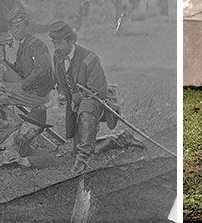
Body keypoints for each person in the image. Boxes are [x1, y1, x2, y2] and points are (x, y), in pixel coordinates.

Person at [49, 21, 145, 175]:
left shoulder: (90, 59)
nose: (56, 47)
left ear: (71, 41)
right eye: (54, 43)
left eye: (59, 43)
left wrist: (78, 99)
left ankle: (82, 160)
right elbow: (60, 80)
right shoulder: (58, 56)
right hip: (76, 106)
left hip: (97, 103)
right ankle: (122, 139)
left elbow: (96, 92)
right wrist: (61, 93)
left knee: (87, 108)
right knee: (80, 147)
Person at [0, 7, 54, 114]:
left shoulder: (36, 44)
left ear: (28, 27)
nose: (14, 31)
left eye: (18, 26)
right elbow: (19, 71)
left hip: (37, 93)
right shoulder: (24, 44)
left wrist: (23, 85)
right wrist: (3, 59)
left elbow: (41, 70)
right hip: (28, 86)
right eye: (12, 28)